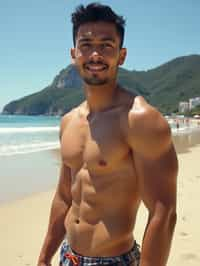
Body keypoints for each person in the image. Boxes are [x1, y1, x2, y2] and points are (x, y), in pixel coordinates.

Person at [37, 3, 178, 266]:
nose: (95, 54)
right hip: (68, 256)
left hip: (114, 260)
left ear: (121, 55)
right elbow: (64, 197)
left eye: (106, 45)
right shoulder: (68, 122)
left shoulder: (140, 119)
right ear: (74, 53)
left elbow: (164, 211)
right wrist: (44, 257)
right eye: (86, 44)